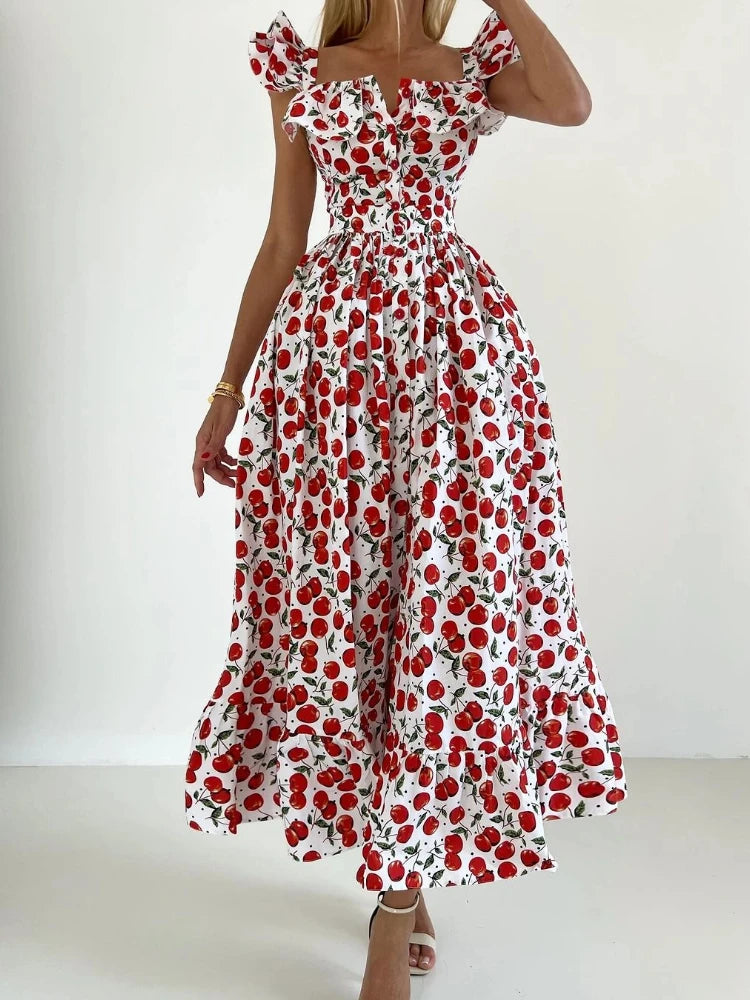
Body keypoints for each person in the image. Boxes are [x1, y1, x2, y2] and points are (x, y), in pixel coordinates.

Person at [185, 2, 628, 997]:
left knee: (439, 614)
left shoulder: (477, 62)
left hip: (457, 364)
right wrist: (226, 392)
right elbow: (284, 237)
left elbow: (573, 103)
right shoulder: (300, 67)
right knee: (356, 615)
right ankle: (401, 862)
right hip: (329, 374)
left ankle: (393, 900)